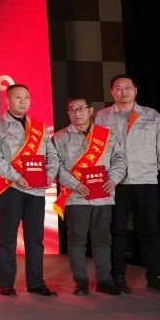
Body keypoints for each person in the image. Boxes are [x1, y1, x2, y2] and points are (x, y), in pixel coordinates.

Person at [95, 74, 160, 294]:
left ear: (135, 90)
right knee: (117, 232)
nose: (123, 92)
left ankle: (154, 277)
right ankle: (118, 277)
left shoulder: (151, 115)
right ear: (112, 92)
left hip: (146, 180)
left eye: (127, 87)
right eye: (118, 88)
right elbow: (97, 151)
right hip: (115, 183)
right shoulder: (102, 116)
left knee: (150, 231)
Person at [0, 84, 61, 297]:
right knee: (7, 235)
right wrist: (17, 176)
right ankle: (6, 282)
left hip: (36, 189)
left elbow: (52, 155)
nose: (23, 101)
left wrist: (49, 175)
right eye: (18, 97)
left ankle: (36, 283)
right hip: (10, 187)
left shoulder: (39, 128)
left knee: (35, 238)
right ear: (7, 100)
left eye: (27, 97)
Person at [52, 97, 126, 295]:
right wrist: (75, 184)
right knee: (77, 240)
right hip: (76, 196)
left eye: (81, 108)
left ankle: (104, 280)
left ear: (91, 110)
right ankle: (81, 282)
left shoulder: (106, 135)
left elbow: (119, 160)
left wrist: (113, 179)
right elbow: (56, 167)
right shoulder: (60, 138)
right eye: (72, 109)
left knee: (102, 239)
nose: (77, 113)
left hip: (103, 195)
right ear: (68, 113)